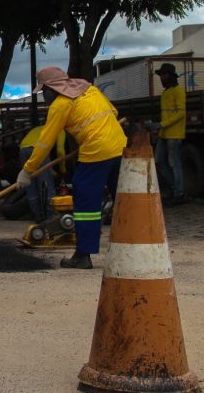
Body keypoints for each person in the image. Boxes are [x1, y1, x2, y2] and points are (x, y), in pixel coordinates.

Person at [16, 67, 126, 269]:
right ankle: (132, 249)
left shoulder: (60, 105)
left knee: (86, 203)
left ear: (51, 88)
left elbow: (45, 143)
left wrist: (28, 170)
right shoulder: (90, 90)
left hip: (96, 152)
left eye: (43, 91)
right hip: (120, 147)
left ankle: (83, 255)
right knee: (124, 199)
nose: (44, 96)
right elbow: (114, 112)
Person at [154, 62, 186, 206]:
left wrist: (162, 124)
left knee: (174, 164)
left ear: (171, 76)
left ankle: (179, 193)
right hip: (164, 133)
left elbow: (181, 113)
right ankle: (176, 188)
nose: (161, 78)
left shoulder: (178, 91)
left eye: (164, 74)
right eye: (160, 75)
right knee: (159, 161)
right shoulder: (165, 93)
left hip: (174, 134)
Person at [19, 125, 66, 222]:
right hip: (38, 150)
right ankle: (49, 217)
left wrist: (51, 171)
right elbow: (60, 151)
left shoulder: (39, 128)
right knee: (45, 184)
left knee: (31, 184)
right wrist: (63, 170)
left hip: (23, 150)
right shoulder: (60, 129)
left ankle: (38, 216)